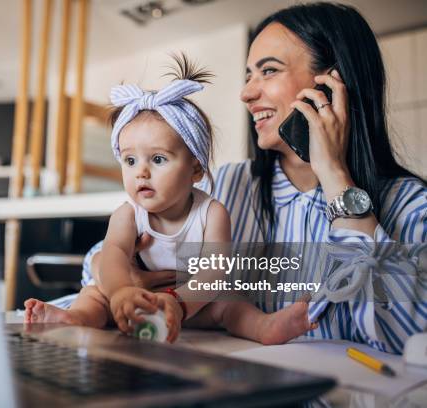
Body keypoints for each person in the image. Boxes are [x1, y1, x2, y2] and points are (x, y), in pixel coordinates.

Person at [77, 3, 426, 354]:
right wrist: (129, 277)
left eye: (268, 71)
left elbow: (410, 337)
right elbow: (102, 259)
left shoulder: (409, 205)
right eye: (248, 76)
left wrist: (336, 176)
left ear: (332, 85)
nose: (246, 93)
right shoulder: (226, 186)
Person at [24, 55, 314, 344]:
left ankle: (265, 328)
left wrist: (178, 302)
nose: (142, 172)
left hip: (190, 304)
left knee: (230, 304)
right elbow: (113, 256)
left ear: (196, 168)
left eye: (158, 159)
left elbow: (214, 273)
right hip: (128, 301)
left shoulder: (212, 213)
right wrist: (121, 292)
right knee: (93, 295)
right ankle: (77, 318)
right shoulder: (128, 214)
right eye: (130, 160)